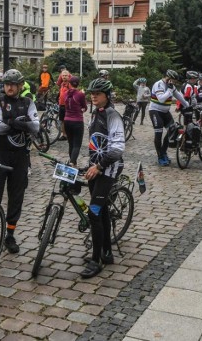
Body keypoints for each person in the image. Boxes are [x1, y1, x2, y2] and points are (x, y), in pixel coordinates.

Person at [0, 69, 39, 254]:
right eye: (6, 84)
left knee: (16, 197)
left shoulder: (28, 102)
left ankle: (10, 235)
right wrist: (20, 125)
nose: (9, 87)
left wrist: (13, 123)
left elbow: (35, 127)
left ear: (19, 86)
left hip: (20, 157)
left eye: (13, 84)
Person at [82, 77, 125, 278]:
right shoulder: (95, 113)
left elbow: (117, 149)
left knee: (93, 213)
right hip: (95, 168)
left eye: (97, 94)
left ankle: (96, 259)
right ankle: (106, 252)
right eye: (91, 94)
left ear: (107, 96)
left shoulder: (112, 115)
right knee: (103, 212)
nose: (93, 97)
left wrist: (99, 167)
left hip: (107, 170)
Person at [149, 70, 189, 166]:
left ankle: (163, 152)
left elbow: (180, 98)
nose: (174, 83)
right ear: (168, 78)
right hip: (155, 111)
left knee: (172, 131)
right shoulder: (158, 84)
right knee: (158, 134)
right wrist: (170, 90)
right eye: (174, 81)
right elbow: (161, 99)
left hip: (165, 112)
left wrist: (188, 105)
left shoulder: (171, 86)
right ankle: (160, 156)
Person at [64, 76, 87, 166]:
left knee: (71, 143)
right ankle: (72, 163)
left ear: (69, 84)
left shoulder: (66, 93)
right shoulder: (80, 94)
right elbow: (84, 107)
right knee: (77, 144)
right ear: (78, 84)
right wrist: (81, 110)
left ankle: (73, 162)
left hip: (67, 121)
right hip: (77, 121)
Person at [57, 70, 71, 141]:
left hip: (67, 106)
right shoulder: (62, 84)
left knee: (68, 120)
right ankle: (64, 135)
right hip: (61, 105)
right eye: (63, 75)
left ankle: (69, 134)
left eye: (66, 75)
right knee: (62, 120)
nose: (64, 77)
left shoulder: (70, 84)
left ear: (68, 76)